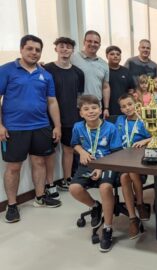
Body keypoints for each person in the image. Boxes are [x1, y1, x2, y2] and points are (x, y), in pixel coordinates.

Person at [0, 35, 62, 223]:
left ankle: (40, 197)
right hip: (14, 128)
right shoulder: (6, 70)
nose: (34, 52)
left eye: (37, 50)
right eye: (30, 48)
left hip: (41, 126)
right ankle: (12, 205)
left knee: (40, 163)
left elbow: (51, 101)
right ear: (21, 49)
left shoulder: (45, 75)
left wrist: (57, 125)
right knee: (13, 168)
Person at [69, 95, 122, 252]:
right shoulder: (78, 127)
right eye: (86, 109)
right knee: (74, 189)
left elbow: (117, 153)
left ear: (100, 110)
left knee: (105, 187)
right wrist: (82, 152)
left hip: (108, 163)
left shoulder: (110, 128)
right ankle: (95, 206)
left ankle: (107, 229)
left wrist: (102, 167)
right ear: (81, 113)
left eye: (94, 108)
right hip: (87, 165)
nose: (90, 111)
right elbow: (75, 144)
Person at [43, 37, 84, 195]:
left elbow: (79, 97)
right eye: (62, 46)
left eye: (68, 47)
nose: (65, 49)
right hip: (48, 119)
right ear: (56, 49)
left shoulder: (78, 73)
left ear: (72, 51)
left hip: (71, 117)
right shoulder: (46, 69)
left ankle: (67, 179)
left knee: (68, 150)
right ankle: (50, 184)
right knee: (49, 153)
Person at [115, 94, 151, 239]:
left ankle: (137, 210)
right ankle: (134, 214)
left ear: (137, 104)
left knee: (128, 175)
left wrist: (146, 140)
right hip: (121, 159)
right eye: (123, 106)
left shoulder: (144, 120)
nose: (127, 108)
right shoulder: (119, 120)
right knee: (125, 175)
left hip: (138, 161)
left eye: (130, 104)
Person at [71, 30, 111, 118]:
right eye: (89, 41)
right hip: (78, 108)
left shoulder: (104, 64)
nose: (93, 44)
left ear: (99, 45)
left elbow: (105, 87)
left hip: (96, 108)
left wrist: (106, 108)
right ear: (84, 42)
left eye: (96, 42)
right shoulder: (73, 58)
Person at [106, 45, 135, 116]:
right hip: (108, 109)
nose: (115, 56)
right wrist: (105, 108)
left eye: (118, 54)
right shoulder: (104, 70)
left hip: (125, 109)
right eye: (112, 54)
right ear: (107, 56)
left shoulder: (126, 71)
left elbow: (131, 90)